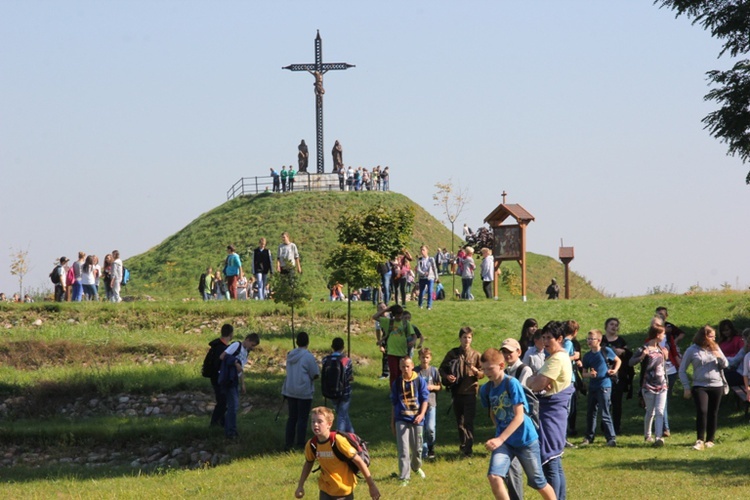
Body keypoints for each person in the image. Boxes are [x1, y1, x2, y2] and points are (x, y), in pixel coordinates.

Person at [480, 348, 556, 500]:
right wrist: (500, 434)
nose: (486, 373)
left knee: (538, 482)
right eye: (483, 369)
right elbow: (492, 412)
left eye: (490, 368)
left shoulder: (511, 383)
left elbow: (519, 416)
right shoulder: (485, 389)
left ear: (501, 365)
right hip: (505, 442)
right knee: (494, 476)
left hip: (525, 440)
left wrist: (500, 438)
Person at [527, 321, 575, 500]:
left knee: (550, 461)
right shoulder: (557, 357)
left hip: (551, 413)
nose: (545, 341)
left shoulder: (557, 358)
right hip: (552, 411)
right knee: (555, 461)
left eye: (549, 338)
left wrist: (531, 380)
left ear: (560, 339)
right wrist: (536, 379)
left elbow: (538, 383)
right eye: (543, 337)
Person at [295, 406, 380, 500]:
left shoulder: (338, 441)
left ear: (329, 424)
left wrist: (371, 485)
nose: (315, 425)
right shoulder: (312, 444)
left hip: (343, 491)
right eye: (313, 421)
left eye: (320, 421)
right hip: (325, 490)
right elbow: (308, 463)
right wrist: (300, 485)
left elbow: (359, 462)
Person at [679, 325, 728, 450]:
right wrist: (686, 387)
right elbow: (682, 370)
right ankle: (700, 439)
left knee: (713, 412)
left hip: (717, 385)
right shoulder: (692, 350)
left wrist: (719, 357)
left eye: (714, 337)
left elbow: (726, 364)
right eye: (711, 336)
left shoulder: (715, 347)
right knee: (702, 411)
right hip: (700, 385)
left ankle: (710, 440)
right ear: (704, 336)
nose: (713, 339)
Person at [439, 326, 484, 458]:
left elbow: (483, 373)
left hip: (470, 392)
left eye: (469, 337)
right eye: (464, 337)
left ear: (472, 339)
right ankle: (463, 444)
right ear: (460, 338)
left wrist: (476, 371)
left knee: (468, 422)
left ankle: (468, 449)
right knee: (460, 422)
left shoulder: (476, 355)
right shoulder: (453, 353)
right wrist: (447, 377)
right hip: (457, 392)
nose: (466, 340)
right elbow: (441, 369)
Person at [390, 357, 429, 487]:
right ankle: (404, 477)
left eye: (407, 366)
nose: (405, 369)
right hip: (401, 419)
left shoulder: (419, 381)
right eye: (402, 367)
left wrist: (422, 414)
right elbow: (394, 403)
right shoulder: (397, 383)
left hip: (417, 420)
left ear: (412, 366)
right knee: (403, 450)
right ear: (400, 368)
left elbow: (425, 399)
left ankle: (416, 467)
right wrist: (393, 421)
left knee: (417, 449)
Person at [630, 324, 669, 447]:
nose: (664, 335)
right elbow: (631, 362)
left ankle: (659, 437)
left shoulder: (661, 349)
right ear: (657, 335)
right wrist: (642, 356)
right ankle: (648, 435)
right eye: (663, 333)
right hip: (648, 385)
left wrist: (665, 356)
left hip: (662, 384)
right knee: (650, 411)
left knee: (660, 411)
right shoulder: (644, 348)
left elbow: (663, 366)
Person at [580, 329, 619, 447]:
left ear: (599, 340)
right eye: (588, 339)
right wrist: (589, 375)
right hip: (593, 386)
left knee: (605, 412)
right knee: (591, 413)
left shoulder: (606, 351)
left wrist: (614, 370)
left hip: (604, 385)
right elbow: (583, 373)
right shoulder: (587, 356)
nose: (589, 341)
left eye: (592, 339)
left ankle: (611, 438)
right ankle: (589, 437)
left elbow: (618, 360)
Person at [218, 332, 260, 439]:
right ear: (247, 340)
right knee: (234, 405)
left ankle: (228, 428)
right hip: (228, 379)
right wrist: (235, 363)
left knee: (232, 406)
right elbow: (223, 356)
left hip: (235, 380)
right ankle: (230, 432)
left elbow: (241, 369)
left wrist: (243, 384)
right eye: (252, 345)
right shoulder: (236, 345)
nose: (252, 347)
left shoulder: (246, 353)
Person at [282, 331, 320, 450]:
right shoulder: (308, 356)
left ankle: (288, 442)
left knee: (292, 417)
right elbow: (315, 373)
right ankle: (300, 442)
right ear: (308, 342)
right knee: (302, 418)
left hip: (290, 389)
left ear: (297, 342)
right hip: (303, 391)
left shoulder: (290, 355)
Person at [600, 317, 632, 435]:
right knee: (605, 402)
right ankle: (604, 426)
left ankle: (616, 427)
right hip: (603, 374)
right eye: (611, 324)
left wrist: (622, 351)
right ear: (606, 326)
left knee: (617, 403)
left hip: (619, 375)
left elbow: (629, 355)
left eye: (616, 325)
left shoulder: (621, 341)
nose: (614, 327)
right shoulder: (601, 340)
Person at [371, 304, 415, 387]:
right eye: (397, 315)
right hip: (391, 352)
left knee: (401, 373)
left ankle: (401, 389)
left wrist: (413, 341)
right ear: (393, 315)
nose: (399, 317)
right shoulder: (389, 322)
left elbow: (413, 334)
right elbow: (375, 317)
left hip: (402, 352)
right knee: (394, 373)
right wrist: (387, 309)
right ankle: (393, 391)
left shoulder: (406, 323)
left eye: (400, 315)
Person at [321, 337, 355, 433]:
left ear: (332, 347)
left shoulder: (325, 360)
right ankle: (339, 437)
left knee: (342, 413)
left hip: (331, 391)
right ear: (343, 347)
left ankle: (352, 434)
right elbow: (349, 377)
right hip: (345, 392)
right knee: (342, 416)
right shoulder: (346, 360)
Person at [207, 324, 234, 428]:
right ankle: (214, 424)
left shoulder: (216, 345)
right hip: (218, 379)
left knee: (222, 401)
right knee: (222, 402)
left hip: (214, 377)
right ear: (231, 334)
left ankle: (221, 423)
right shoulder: (223, 348)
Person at [417, 348, 441, 460]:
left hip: (431, 403)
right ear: (419, 358)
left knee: (430, 428)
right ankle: (424, 450)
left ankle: (431, 446)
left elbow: (439, 386)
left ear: (430, 358)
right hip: (419, 404)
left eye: (427, 357)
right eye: (423, 357)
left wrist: (433, 387)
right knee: (421, 428)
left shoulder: (434, 371)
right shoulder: (415, 371)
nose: (425, 360)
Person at [416, 245, 438, 310]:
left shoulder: (431, 259)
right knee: (421, 292)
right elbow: (418, 269)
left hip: (430, 277)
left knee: (430, 291)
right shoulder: (419, 260)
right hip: (422, 278)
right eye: (421, 250)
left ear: (427, 251)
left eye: (423, 250)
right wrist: (423, 273)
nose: (422, 251)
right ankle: (420, 305)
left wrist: (436, 276)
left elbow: (434, 268)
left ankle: (429, 306)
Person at [374, 302, 390, 380]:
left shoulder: (391, 316)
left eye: (384, 307)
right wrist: (380, 345)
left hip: (395, 337)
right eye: (380, 308)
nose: (383, 308)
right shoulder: (378, 320)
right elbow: (378, 332)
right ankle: (385, 373)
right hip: (385, 338)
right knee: (385, 356)